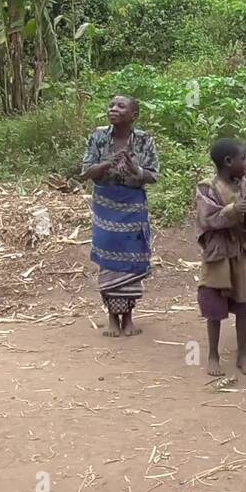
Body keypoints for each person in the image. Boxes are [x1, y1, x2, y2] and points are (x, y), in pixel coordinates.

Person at [80, 96, 159, 338]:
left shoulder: (144, 140)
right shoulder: (99, 136)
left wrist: (135, 169)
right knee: (109, 262)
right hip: (106, 206)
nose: (113, 109)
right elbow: (86, 172)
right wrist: (107, 164)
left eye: (120, 106)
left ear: (134, 115)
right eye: (111, 105)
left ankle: (129, 318)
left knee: (131, 263)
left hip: (133, 207)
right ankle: (112, 317)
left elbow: (154, 175)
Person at [195, 138, 246, 377]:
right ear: (228, 161)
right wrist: (235, 210)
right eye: (243, 158)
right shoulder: (208, 187)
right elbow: (208, 218)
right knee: (214, 307)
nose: (245, 164)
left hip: (240, 254)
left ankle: (242, 354)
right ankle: (213, 355)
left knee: (243, 304)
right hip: (218, 256)